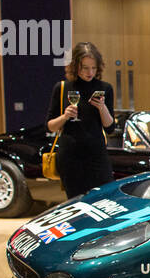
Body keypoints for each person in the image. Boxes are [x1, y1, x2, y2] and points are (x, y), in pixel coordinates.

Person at [45, 42, 117, 199]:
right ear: (75, 66)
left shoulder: (105, 88)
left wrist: (102, 108)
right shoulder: (62, 87)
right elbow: (50, 126)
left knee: (105, 199)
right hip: (70, 156)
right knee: (76, 202)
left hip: (96, 154)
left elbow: (110, 128)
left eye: (94, 68)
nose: (90, 72)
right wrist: (65, 116)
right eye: (85, 67)